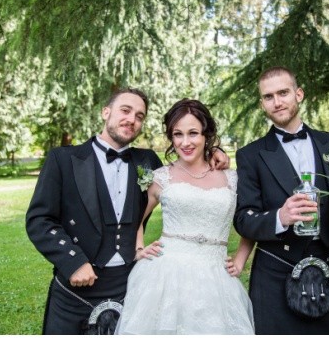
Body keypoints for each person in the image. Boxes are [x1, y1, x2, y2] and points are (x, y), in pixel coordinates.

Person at [26, 88, 230, 334]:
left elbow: (186, 168)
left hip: (129, 283)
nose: (132, 119)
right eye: (125, 110)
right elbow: (40, 219)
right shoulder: (64, 159)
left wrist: (214, 153)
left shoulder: (147, 162)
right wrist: (73, 261)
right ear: (106, 112)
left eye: (139, 116)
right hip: (77, 284)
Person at [234, 66, 329, 334]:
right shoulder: (251, 155)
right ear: (263, 104)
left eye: (283, 93)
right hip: (276, 270)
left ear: (299, 94)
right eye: (268, 97)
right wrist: (279, 217)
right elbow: (243, 219)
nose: (277, 102)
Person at [116, 99, 255, 334]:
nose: (185, 142)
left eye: (193, 133)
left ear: (206, 135)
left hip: (217, 278)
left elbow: (249, 220)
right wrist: (139, 248)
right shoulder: (161, 177)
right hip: (165, 276)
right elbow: (135, 219)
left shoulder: (232, 178)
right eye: (178, 134)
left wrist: (240, 259)